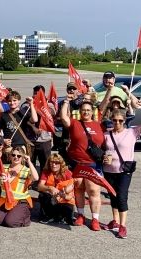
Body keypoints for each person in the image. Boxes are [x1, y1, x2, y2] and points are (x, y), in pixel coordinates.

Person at [102, 100, 141, 239]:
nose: (117, 123)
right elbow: (102, 151)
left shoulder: (132, 132)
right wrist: (103, 158)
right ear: (111, 120)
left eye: (120, 121)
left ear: (124, 121)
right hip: (109, 170)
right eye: (114, 120)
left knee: (122, 197)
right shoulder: (107, 134)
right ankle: (115, 221)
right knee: (113, 196)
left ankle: (122, 226)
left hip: (124, 170)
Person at [60, 98, 105, 231]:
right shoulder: (75, 123)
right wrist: (66, 103)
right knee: (79, 188)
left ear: (92, 112)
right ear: (80, 112)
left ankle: (95, 219)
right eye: (83, 110)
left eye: (88, 110)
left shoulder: (99, 125)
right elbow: (63, 117)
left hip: (93, 163)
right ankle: (80, 215)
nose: (86, 112)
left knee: (93, 190)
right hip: (77, 163)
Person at [0, 146, 39, 227]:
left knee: (10, 222)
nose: (16, 157)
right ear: (10, 156)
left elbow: (36, 178)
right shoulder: (3, 167)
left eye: (19, 156)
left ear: (22, 158)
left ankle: (26, 217)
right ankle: (11, 213)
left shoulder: (26, 170)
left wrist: (29, 162)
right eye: (13, 155)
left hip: (20, 202)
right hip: (5, 201)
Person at [37, 153, 74, 224]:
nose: (54, 165)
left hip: (64, 197)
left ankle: (59, 216)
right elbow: (39, 186)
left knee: (69, 219)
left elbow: (72, 186)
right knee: (42, 195)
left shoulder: (67, 173)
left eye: (56, 163)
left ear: (61, 164)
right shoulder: (46, 172)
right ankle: (49, 215)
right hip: (51, 197)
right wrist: (50, 188)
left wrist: (63, 192)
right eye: (51, 162)